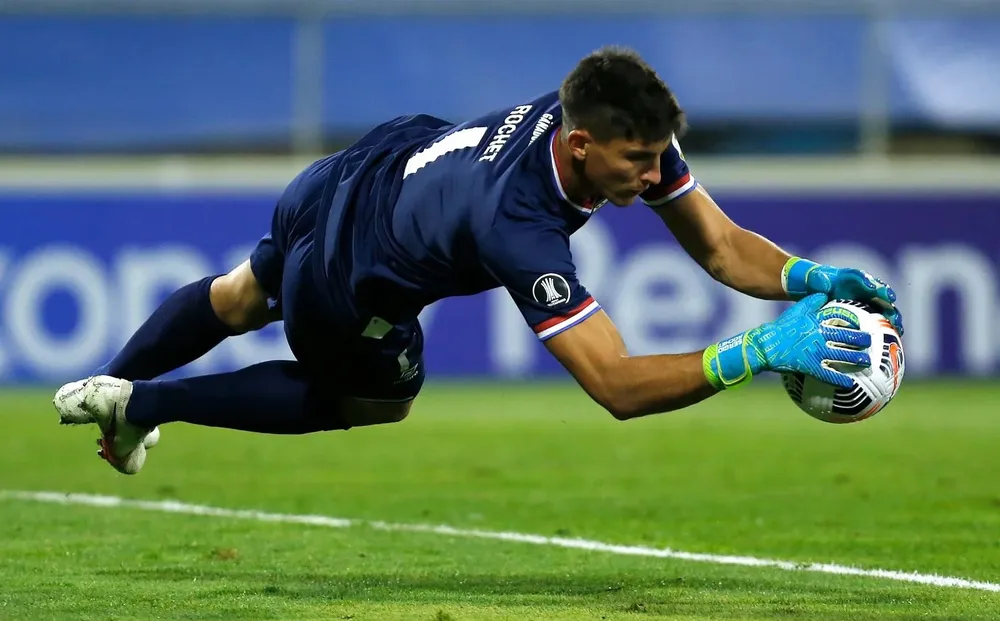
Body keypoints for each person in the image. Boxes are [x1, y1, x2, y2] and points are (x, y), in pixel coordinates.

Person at [53, 46, 903, 475]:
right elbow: (614, 385)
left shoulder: (604, 128)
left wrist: (807, 276)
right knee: (377, 398)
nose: (655, 176)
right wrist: (753, 352)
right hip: (349, 282)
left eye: (658, 157)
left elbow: (718, 246)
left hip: (354, 172)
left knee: (240, 297)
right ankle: (141, 401)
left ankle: (101, 385)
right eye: (639, 163)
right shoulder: (519, 227)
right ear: (580, 145)